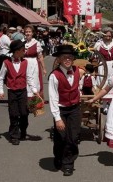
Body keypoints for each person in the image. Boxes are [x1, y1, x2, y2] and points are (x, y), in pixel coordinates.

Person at [0, 40, 39, 145]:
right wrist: (1, 91)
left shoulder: (25, 62)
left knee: (24, 113)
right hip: (12, 92)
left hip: (23, 91)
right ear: (16, 51)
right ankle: (14, 135)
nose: (25, 51)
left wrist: (34, 90)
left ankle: (23, 131)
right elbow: (0, 78)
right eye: (23, 50)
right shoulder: (6, 63)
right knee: (13, 114)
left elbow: (29, 77)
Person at [48, 45, 81, 176]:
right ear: (59, 60)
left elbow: (79, 86)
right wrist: (57, 118)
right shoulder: (54, 76)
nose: (67, 60)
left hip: (74, 109)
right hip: (61, 109)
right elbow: (53, 98)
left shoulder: (77, 71)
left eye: (70, 57)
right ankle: (58, 156)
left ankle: (68, 163)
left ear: (73, 59)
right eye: (64, 57)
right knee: (61, 137)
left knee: (73, 137)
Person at [23, 24, 47, 99]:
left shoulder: (36, 43)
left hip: (33, 63)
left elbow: (40, 56)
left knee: (34, 80)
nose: (28, 33)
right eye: (26, 32)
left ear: (32, 33)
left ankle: (35, 100)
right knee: (25, 81)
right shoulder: (22, 43)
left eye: (29, 32)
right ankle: (25, 99)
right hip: (24, 63)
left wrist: (44, 68)